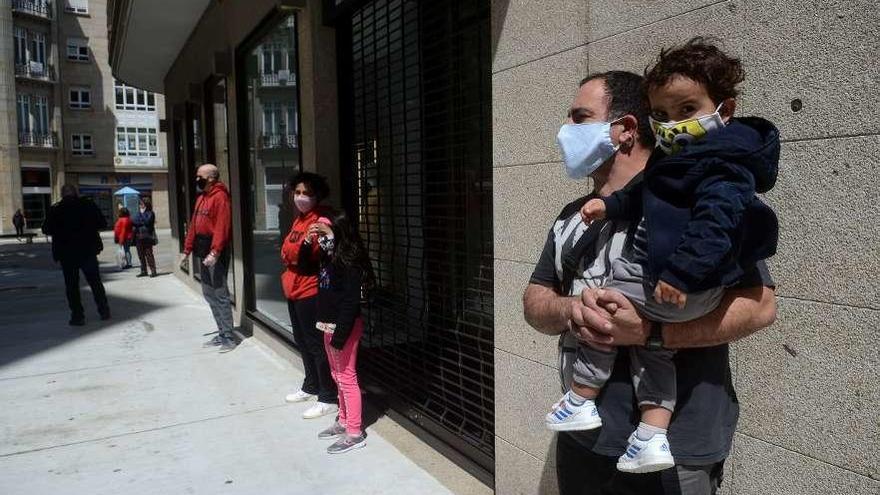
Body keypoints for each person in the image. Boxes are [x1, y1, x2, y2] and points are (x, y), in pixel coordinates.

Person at [522, 70, 777, 494]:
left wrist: (651, 332)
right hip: (583, 440)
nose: (565, 131)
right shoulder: (573, 215)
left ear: (624, 130)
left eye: (579, 118)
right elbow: (535, 300)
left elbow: (760, 306)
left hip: (677, 450)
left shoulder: (690, 199)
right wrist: (572, 309)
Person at [301, 211, 374, 453]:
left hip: (343, 327)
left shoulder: (349, 262)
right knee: (336, 375)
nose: (321, 239)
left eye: (325, 233)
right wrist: (307, 241)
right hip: (327, 325)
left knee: (346, 377)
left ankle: (354, 432)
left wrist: (341, 335)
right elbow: (303, 266)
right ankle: (342, 420)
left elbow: (351, 302)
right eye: (318, 233)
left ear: (339, 233)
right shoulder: (328, 256)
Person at [281, 172, 339, 420]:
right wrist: (291, 253)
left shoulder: (319, 220)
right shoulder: (299, 219)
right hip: (293, 286)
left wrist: (293, 253)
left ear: (317, 196)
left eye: (307, 193)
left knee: (316, 344)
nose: (301, 197)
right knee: (302, 340)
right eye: (297, 192)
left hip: (310, 288)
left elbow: (305, 254)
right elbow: (286, 251)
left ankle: (327, 396)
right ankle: (310, 384)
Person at [180, 164, 235, 352]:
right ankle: (221, 332)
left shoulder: (221, 197)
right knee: (208, 292)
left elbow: (222, 226)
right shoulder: (201, 198)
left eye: (199, 176)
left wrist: (216, 251)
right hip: (201, 248)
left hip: (214, 250)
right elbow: (193, 225)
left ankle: (229, 336)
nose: (197, 179)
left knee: (220, 293)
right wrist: (186, 250)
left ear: (211, 178)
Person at [42, 185, 110, 326]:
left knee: (72, 287)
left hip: (67, 254)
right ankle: (104, 311)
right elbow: (102, 223)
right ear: (76, 193)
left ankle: (77, 316)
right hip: (87, 251)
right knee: (95, 283)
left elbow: (46, 229)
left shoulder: (56, 209)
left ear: (62, 195)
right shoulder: (88, 205)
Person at [132, 197, 158, 277]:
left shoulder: (151, 213)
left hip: (147, 236)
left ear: (146, 205)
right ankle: (143, 271)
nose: (140, 206)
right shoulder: (138, 213)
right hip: (138, 236)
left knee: (149, 254)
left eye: (142, 204)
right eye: (140, 204)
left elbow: (147, 222)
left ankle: (153, 271)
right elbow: (134, 221)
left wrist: (142, 215)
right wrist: (141, 218)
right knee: (140, 255)